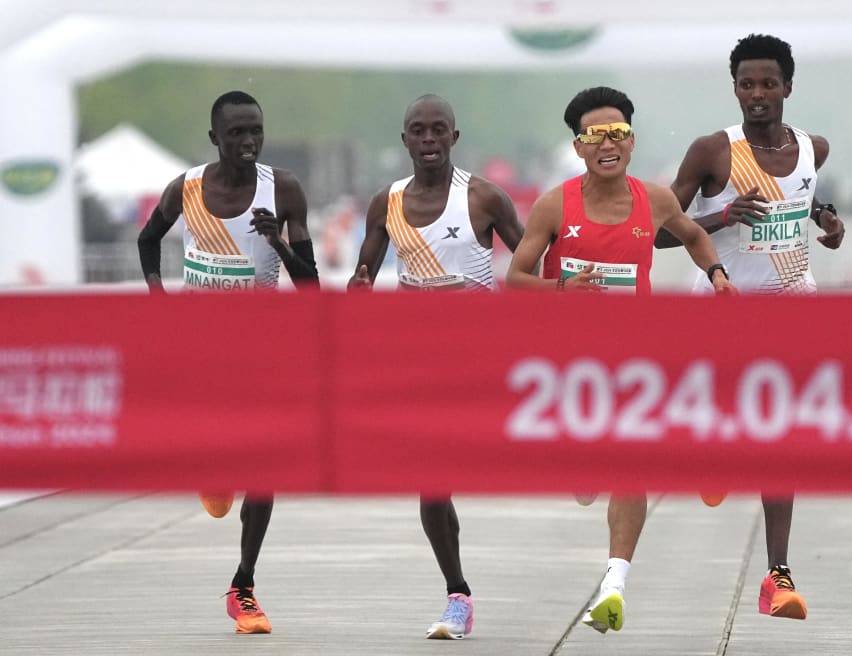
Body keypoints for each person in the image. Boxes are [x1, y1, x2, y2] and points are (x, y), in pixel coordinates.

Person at [506, 86, 736, 635]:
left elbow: (695, 233)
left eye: (617, 134)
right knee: (587, 482)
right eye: (595, 136)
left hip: (634, 358)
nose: (608, 144)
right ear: (580, 147)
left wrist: (717, 275)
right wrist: (562, 287)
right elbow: (514, 278)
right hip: (571, 366)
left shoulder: (654, 199)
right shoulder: (553, 204)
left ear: (630, 141)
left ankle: (614, 584)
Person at [656, 33, 846, 621]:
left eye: (769, 83)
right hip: (722, 306)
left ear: (789, 86)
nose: (758, 94)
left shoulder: (814, 147)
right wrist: (718, 215)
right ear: (734, 88)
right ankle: (712, 452)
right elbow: (660, 231)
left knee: (781, 438)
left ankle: (778, 576)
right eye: (747, 84)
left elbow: (802, 196)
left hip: (789, 307)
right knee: (723, 420)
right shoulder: (713, 151)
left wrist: (826, 220)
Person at [136, 90, 319, 634]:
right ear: (215, 138)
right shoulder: (187, 187)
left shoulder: (281, 189)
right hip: (201, 355)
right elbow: (148, 239)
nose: (248, 141)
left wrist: (278, 242)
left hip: (264, 355)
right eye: (237, 132)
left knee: (266, 467)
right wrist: (156, 294)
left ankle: (243, 587)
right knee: (218, 475)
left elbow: (310, 286)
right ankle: (210, 463)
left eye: (256, 131)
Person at [347, 94, 524, 639]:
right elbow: (362, 280)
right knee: (432, 485)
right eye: (418, 131)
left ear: (454, 137)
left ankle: (582, 467)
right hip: (420, 367)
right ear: (405, 140)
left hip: (482, 366)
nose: (428, 139)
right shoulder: (386, 203)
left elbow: (534, 263)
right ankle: (458, 596)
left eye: (438, 130)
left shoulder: (484, 199)